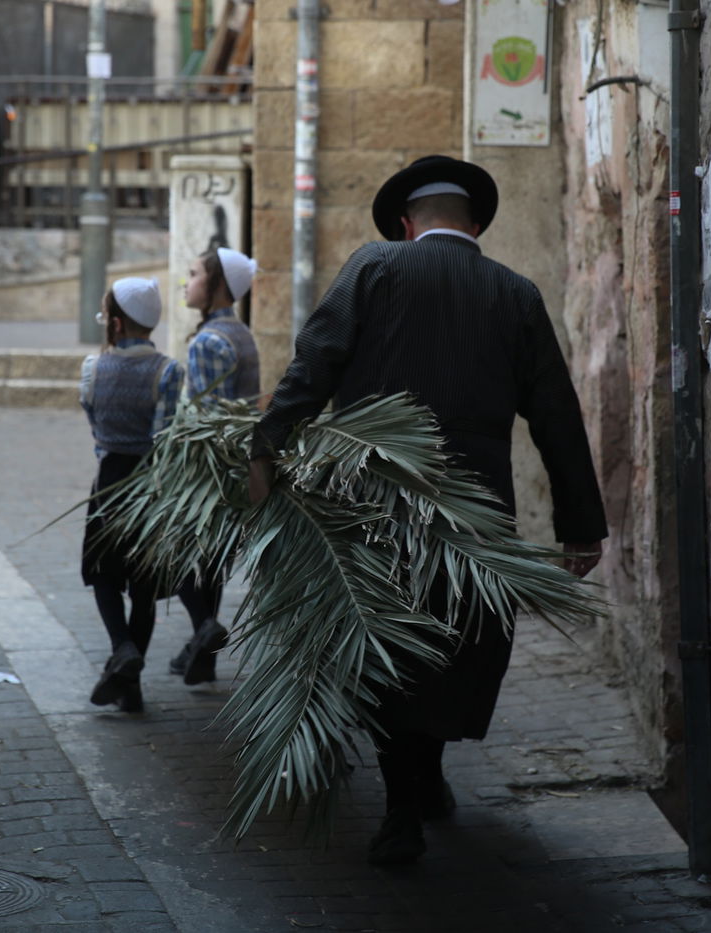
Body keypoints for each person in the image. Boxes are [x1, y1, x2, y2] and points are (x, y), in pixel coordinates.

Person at [247, 155, 607, 864]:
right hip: (477, 520)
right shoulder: (516, 293)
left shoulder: (374, 266)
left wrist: (266, 445)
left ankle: (404, 805)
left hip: (374, 510)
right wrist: (580, 523)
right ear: (475, 224)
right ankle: (421, 783)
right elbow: (557, 416)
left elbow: (313, 361)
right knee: (455, 646)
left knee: (384, 646)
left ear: (408, 225)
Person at [80, 277, 186, 713]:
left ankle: (121, 648)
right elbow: (166, 434)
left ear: (117, 324)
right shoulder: (168, 371)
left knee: (103, 573)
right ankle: (131, 683)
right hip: (151, 483)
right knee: (143, 584)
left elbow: (93, 418)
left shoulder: (93, 368)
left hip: (109, 480)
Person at [169, 247, 262, 685]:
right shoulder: (241, 332)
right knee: (210, 562)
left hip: (205, 467)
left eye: (193, 275)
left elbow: (206, 416)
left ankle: (205, 628)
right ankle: (200, 652)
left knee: (180, 556)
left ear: (218, 285)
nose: (186, 283)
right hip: (233, 465)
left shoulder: (209, 340)